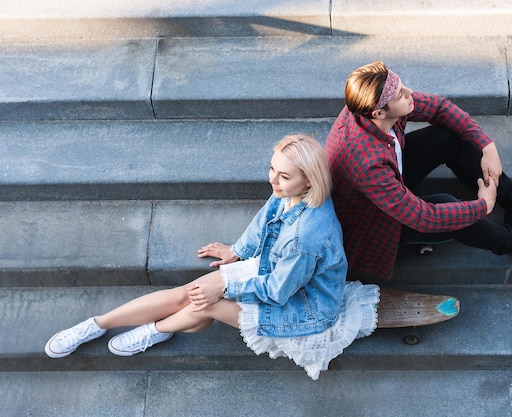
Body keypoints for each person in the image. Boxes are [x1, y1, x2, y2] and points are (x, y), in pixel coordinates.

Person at [45, 134, 379, 380]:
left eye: (284, 176)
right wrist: (238, 251)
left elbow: (279, 291)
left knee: (201, 304)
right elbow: (265, 218)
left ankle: (157, 329)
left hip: (303, 307)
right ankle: (95, 324)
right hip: (273, 273)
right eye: (272, 168)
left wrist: (224, 289)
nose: (272, 180)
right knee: (186, 293)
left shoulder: (307, 235)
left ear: (309, 179)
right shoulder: (290, 192)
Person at [325, 61, 512, 282]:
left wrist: (487, 146)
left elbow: (439, 108)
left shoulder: (371, 104)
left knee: (446, 136)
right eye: (400, 95)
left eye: (402, 85)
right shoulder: (366, 162)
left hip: (394, 173)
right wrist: (483, 205)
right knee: (446, 206)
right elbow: (422, 217)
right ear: (379, 112)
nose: (409, 92)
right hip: (376, 223)